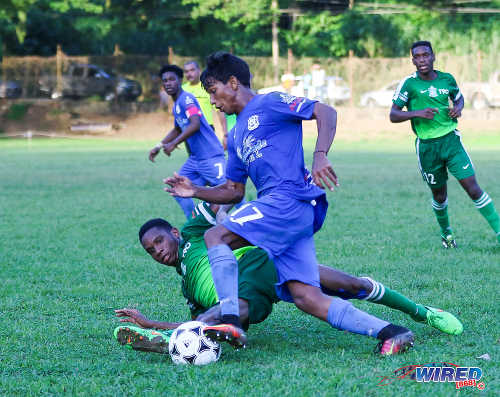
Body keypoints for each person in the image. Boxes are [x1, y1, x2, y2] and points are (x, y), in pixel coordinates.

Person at [164, 52, 414, 354]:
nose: (214, 102)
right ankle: (393, 333)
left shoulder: (268, 103)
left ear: (233, 83)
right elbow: (233, 191)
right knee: (307, 298)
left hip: (289, 198)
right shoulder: (236, 133)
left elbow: (325, 111)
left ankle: (230, 318)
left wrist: (320, 155)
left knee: (215, 235)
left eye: (214, 92)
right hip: (283, 211)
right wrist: (194, 191)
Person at [113, 202, 462, 354]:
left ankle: (421, 311)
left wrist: (206, 197)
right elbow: (196, 325)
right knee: (215, 317)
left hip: (257, 261)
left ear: (173, 232)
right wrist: (152, 323)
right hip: (254, 284)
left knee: (351, 284)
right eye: (150, 250)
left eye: (158, 241)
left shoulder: (192, 231)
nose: (157, 250)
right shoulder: (188, 288)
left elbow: (225, 197)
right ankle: (166, 341)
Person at [390, 41, 500, 247]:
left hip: (451, 142)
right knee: (439, 196)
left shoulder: (447, 79)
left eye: (425, 55)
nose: (422, 60)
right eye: (417, 56)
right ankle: (446, 235)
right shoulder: (409, 84)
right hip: (427, 147)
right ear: (412, 60)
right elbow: (393, 114)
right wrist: (417, 113)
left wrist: (458, 108)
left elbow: (459, 99)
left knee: (473, 189)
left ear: (433, 56)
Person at [149, 65, 226, 219]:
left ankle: (253, 220)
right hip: (195, 159)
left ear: (180, 80)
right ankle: (195, 224)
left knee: (229, 192)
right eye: (165, 81)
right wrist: (159, 146)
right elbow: (177, 129)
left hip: (210, 156)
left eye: (172, 79)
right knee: (178, 189)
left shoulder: (187, 98)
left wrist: (173, 144)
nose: (168, 83)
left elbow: (195, 124)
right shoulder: (177, 104)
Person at [183, 60, 227, 135]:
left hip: (207, 128)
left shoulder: (208, 87)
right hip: (188, 129)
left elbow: (219, 111)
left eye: (192, 70)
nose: (189, 74)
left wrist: (225, 133)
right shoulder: (182, 89)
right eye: (186, 71)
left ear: (199, 70)